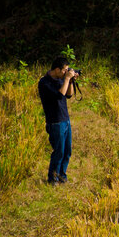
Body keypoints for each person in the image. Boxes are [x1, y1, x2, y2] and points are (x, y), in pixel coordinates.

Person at [38, 56, 77, 185]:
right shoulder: (44, 82)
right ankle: (52, 178)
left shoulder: (61, 79)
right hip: (55, 122)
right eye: (64, 70)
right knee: (58, 152)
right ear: (57, 69)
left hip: (65, 119)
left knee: (67, 151)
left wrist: (71, 81)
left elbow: (68, 95)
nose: (66, 72)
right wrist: (66, 79)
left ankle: (62, 176)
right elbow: (59, 95)